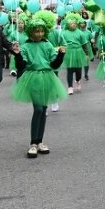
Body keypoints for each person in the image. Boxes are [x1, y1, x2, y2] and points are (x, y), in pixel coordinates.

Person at [11, 15, 67, 158]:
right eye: (36, 31)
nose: (39, 34)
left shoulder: (47, 44)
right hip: (33, 77)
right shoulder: (26, 46)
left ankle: (40, 141)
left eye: (42, 31)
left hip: (47, 78)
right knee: (38, 109)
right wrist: (17, 55)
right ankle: (33, 143)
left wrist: (60, 54)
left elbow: (54, 64)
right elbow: (21, 65)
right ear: (31, 32)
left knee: (43, 109)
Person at [61, 13, 89, 95]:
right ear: (68, 25)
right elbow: (62, 44)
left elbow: (84, 44)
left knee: (78, 70)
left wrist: (86, 54)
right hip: (69, 52)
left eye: (74, 23)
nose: (73, 25)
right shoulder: (64, 33)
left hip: (78, 52)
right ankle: (70, 87)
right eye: (71, 23)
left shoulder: (80, 33)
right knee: (69, 70)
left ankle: (78, 80)